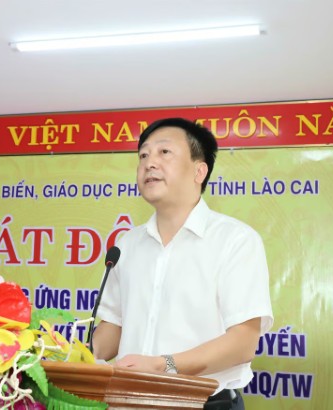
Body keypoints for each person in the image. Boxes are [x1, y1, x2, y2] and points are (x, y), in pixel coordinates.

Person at [92, 117, 273, 409]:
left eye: (164, 152)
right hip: (126, 402)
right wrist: (62, 354)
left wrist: (163, 365)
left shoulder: (235, 240)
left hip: (203, 404)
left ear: (199, 171)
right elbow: (112, 329)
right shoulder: (127, 245)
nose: (149, 163)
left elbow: (243, 343)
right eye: (143, 155)